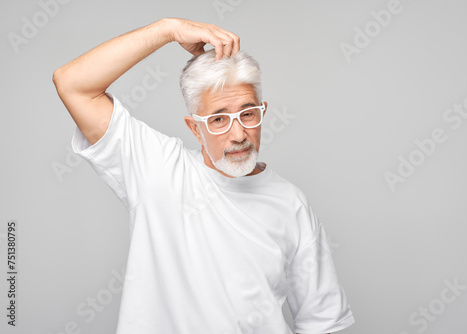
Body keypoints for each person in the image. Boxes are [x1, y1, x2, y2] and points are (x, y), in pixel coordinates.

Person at [52, 17, 355, 334]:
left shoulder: (291, 203)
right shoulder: (157, 169)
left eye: (247, 114)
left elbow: (323, 322)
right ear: (195, 128)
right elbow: (72, 83)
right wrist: (167, 29)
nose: (238, 133)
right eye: (218, 119)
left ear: (262, 112)